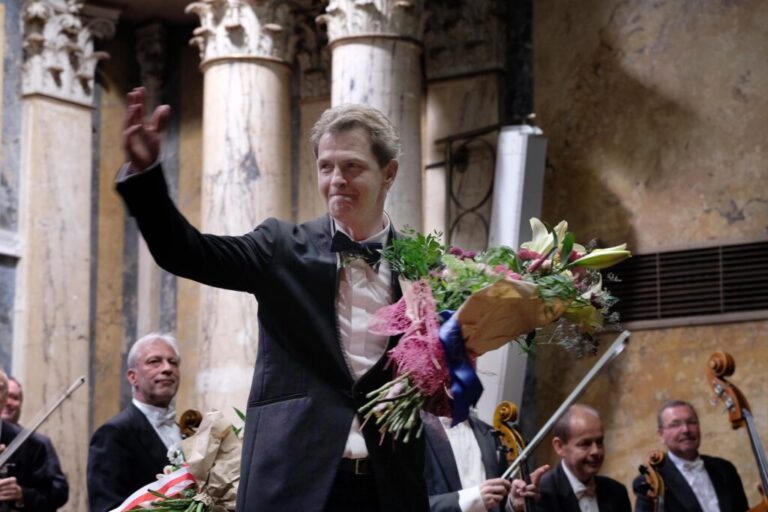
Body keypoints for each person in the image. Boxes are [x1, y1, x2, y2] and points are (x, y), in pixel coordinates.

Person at [117, 87, 427, 511]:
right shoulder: (281, 248)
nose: (337, 180)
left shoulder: (422, 266)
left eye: (352, 166)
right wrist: (147, 179)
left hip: (389, 488)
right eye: (326, 166)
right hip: (294, 485)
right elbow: (186, 252)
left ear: (388, 173)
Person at [87, 332, 182, 512]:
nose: (167, 368)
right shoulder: (113, 433)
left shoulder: (186, 432)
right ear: (132, 377)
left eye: (173, 362)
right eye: (154, 361)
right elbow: (106, 507)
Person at [633, 400, 748, 512]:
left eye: (691, 422)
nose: (686, 430)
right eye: (675, 425)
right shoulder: (650, 482)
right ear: (661, 435)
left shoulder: (724, 468)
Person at [423, 411, 548, 512]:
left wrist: (512, 504)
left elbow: (499, 506)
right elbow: (412, 505)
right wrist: (473, 500)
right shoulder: (415, 432)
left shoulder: (489, 433)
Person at [536, 404, 630, 512]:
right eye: (585, 444)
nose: (596, 451)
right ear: (560, 447)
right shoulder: (541, 494)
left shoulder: (617, 492)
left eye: (599, 442)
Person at [0, 370, 68, 511]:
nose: (9, 403)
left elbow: (58, 492)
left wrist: (22, 494)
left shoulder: (34, 444)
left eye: (14, 397)